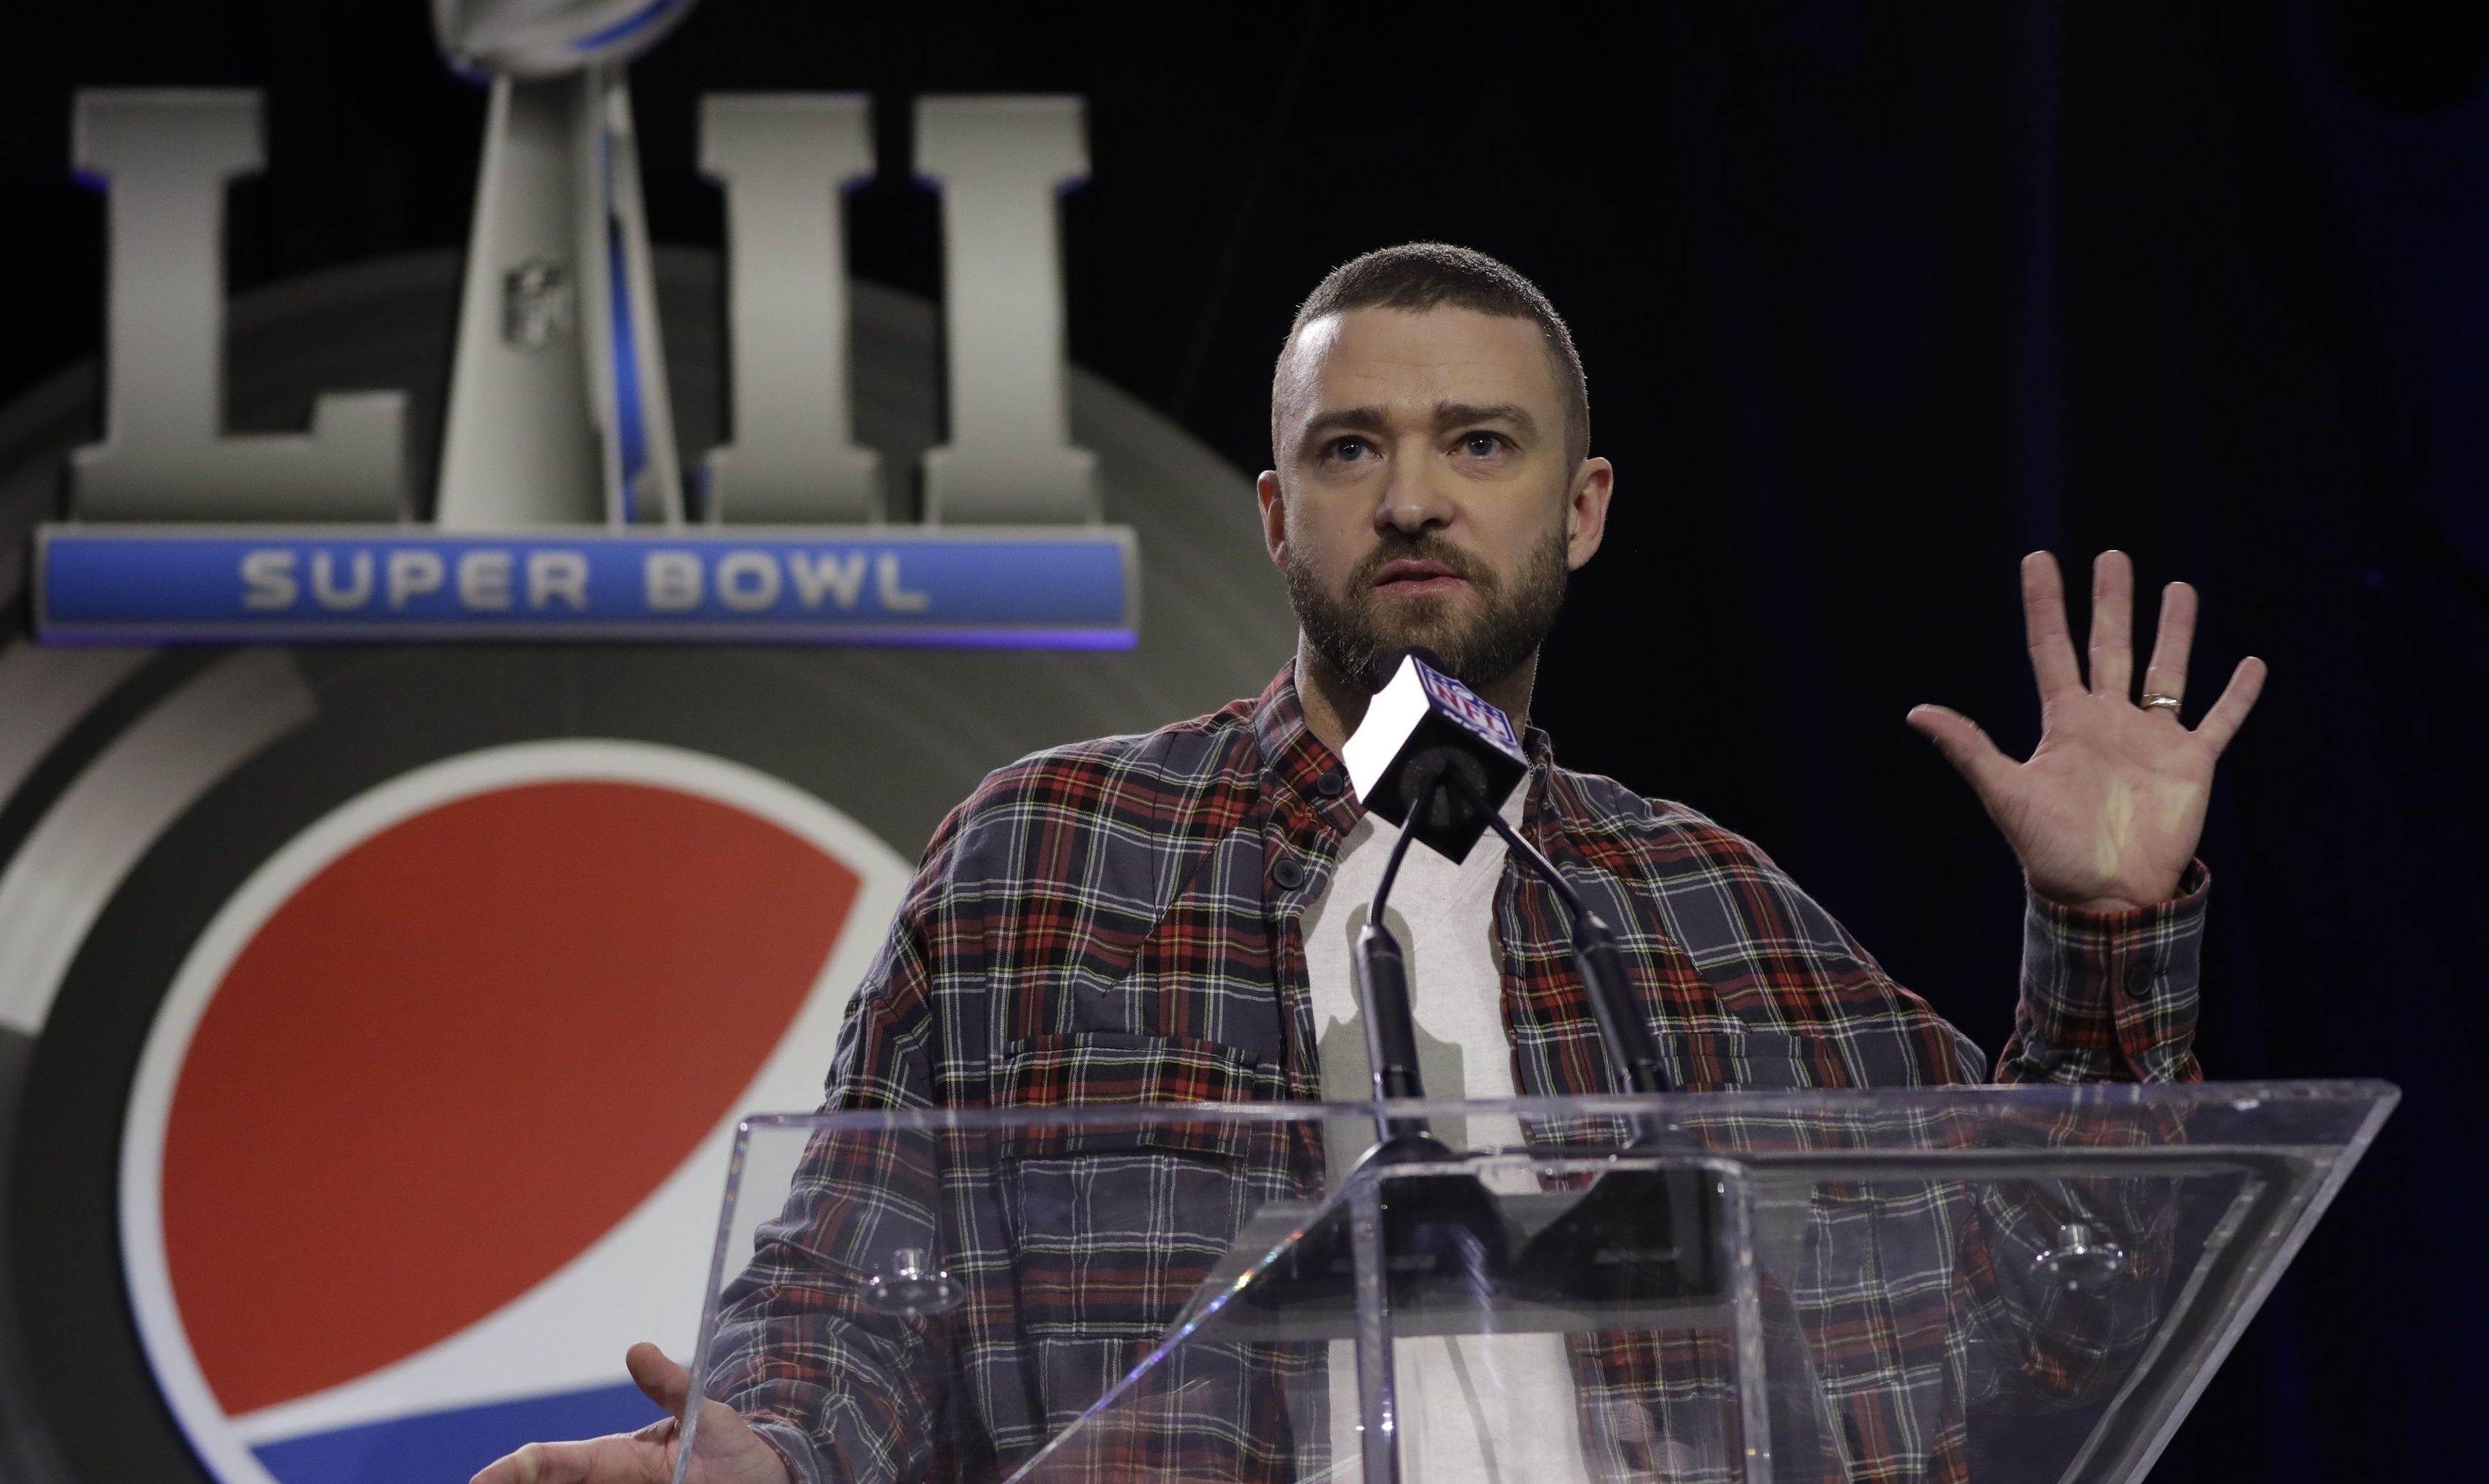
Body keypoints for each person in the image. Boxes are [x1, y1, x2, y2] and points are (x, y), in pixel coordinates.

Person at [471, 243, 2264, 1484]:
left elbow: (2055, 1298)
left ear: (1580, 508)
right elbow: (857, 1286)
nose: (1413, 497)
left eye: (1477, 444)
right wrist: (762, 1440)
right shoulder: (1050, 858)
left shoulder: (1702, 908)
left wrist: (2098, 932)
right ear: (1275, 512)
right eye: (1352, 448)